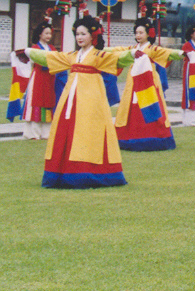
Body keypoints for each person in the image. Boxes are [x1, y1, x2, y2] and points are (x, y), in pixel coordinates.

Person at [18, 14, 132, 189]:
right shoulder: (72, 56)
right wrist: (28, 52)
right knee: (66, 133)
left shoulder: (98, 56)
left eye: (83, 34)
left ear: (92, 36)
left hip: (91, 101)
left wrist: (133, 53)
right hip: (69, 101)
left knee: (88, 133)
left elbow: (117, 59)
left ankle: (89, 174)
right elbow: (51, 58)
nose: (79, 37)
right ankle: (63, 174)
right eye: (77, 34)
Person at [114, 17, 181, 151]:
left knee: (150, 105)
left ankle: (154, 139)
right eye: (137, 33)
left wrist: (181, 53)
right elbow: (118, 50)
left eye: (141, 33)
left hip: (148, 81)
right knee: (131, 107)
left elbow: (167, 53)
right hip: (133, 81)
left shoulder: (152, 49)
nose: (138, 35)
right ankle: (128, 138)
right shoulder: (132, 48)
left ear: (148, 34)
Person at [20, 18, 57, 140]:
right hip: (39, 78)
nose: (48, 36)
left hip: (50, 78)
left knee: (48, 102)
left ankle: (46, 133)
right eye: (46, 33)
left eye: (50, 33)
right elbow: (40, 62)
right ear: (40, 34)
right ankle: (33, 133)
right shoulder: (35, 47)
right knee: (36, 102)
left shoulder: (52, 48)